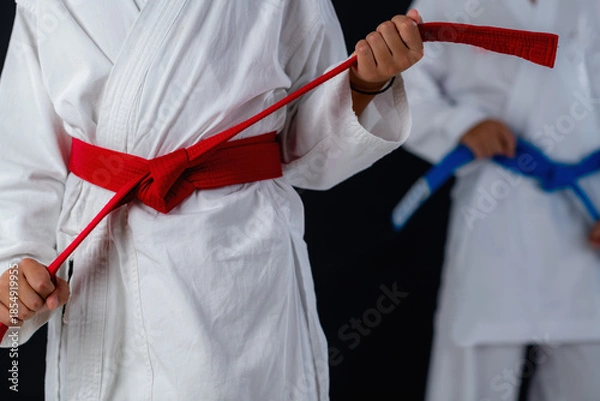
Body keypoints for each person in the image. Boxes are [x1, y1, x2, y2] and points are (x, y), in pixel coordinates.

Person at [0, 0, 423, 400]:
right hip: (101, 260)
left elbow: (309, 151)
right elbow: (22, 153)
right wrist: (15, 264)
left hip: (232, 261)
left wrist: (366, 84)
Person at [401, 0, 600, 400]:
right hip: (495, 206)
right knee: (474, 367)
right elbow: (401, 82)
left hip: (587, 210)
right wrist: (461, 125)